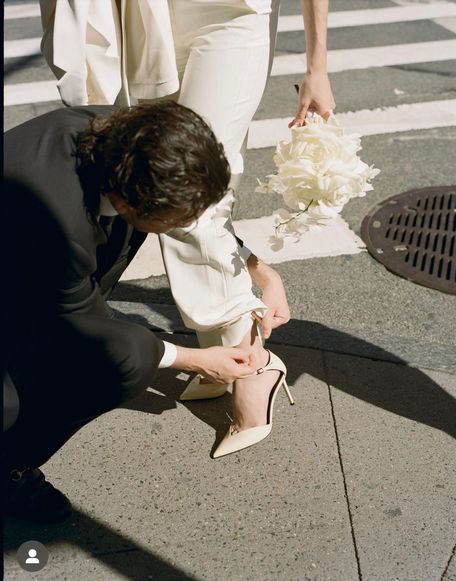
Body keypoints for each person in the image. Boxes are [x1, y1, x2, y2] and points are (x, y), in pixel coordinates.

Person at [39, 0, 335, 457]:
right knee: (169, 186)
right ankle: (222, 350)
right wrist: (259, 270)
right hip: (144, 16)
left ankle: (252, 365)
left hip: (232, 13)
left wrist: (318, 65)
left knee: (197, 200)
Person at [2, 101, 267, 522]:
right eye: (180, 217)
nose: (192, 223)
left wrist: (259, 269)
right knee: (126, 357)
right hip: (23, 296)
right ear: (129, 203)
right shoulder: (59, 223)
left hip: (25, 281)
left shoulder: (125, 138)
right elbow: (79, 326)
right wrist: (196, 359)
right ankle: (8, 467)